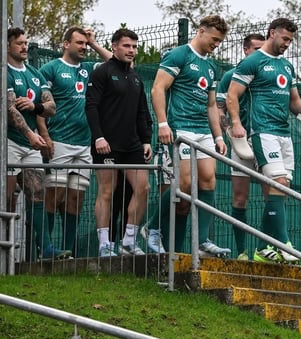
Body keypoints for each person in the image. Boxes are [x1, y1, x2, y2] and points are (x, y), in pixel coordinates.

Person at [227, 17, 301, 263]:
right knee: (277, 183)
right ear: (272, 34)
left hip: (283, 134)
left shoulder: (287, 67)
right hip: (261, 131)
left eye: (291, 40)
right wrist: (236, 124)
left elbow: (294, 100)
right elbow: (232, 96)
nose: (288, 44)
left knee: (280, 190)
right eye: (285, 38)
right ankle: (285, 244)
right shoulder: (253, 62)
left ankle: (261, 249)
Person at [146, 15, 230, 257]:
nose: (216, 44)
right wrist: (162, 123)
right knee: (183, 185)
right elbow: (158, 88)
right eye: (214, 39)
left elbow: (211, 105)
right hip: (180, 127)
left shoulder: (212, 66)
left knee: (208, 181)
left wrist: (219, 137)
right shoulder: (179, 55)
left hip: (202, 130)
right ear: (201, 31)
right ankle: (151, 227)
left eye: (220, 41)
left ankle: (203, 240)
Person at [38, 27, 111, 257]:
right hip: (59, 140)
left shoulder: (88, 69)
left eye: (85, 44)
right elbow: (41, 108)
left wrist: (94, 42)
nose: (83, 47)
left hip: (83, 144)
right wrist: (46, 137)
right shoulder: (50, 69)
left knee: (75, 198)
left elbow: (115, 61)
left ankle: (68, 252)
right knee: (54, 194)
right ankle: (44, 249)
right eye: (79, 43)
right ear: (66, 43)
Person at [84, 28, 153, 257]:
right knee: (107, 191)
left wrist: (146, 140)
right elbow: (91, 106)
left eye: (134, 46)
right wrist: (99, 137)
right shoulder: (102, 72)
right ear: (114, 46)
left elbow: (142, 111)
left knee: (143, 188)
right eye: (127, 46)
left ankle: (129, 241)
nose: (131, 50)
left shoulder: (135, 77)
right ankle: (105, 244)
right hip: (107, 145)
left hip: (132, 145)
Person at [5, 27, 70, 260]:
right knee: (7, 197)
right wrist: (31, 135)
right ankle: (6, 249)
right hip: (9, 143)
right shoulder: (5, 72)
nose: (24, 47)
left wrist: (36, 107)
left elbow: (51, 107)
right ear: (7, 46)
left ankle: (45, 248)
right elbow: (10, 108)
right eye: (19, 43)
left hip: (29, 143)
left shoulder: (34, 73)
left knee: (38, 193)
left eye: (26, 42)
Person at [216, 32, 266, 260]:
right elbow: (219, 109)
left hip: (265, 141)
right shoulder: (230, 76)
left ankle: (267, 249)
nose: (261, 53)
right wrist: (230, 133)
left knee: (273, 195)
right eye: (256, 49)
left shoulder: (267, 75)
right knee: (240, 197)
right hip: (241, 144)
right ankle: (242, 252)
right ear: (246, 50)